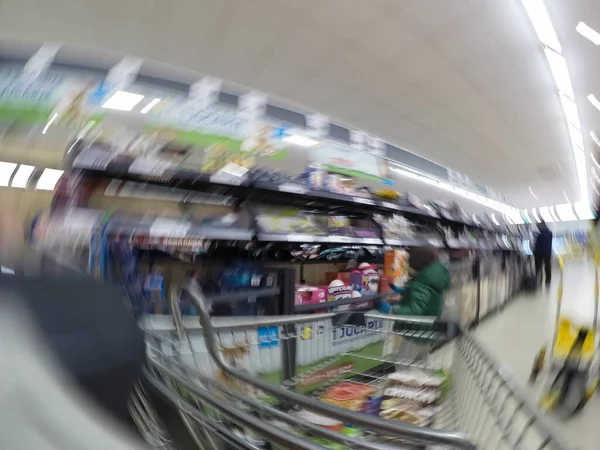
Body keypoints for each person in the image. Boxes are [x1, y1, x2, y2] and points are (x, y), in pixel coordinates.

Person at [378, 244, 450, 317]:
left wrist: (391, 310)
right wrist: (407, 290)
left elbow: (415, 310)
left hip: (414, 327)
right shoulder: (433, 276)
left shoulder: (421, 283)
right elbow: (428, 295)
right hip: (428, 324)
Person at [533, 221, 553, 286]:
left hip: (541, 253)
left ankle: (541, 280)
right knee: (546, 267)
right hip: (546, 253)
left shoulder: (543, 234)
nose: (538, 228)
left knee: (540, 267)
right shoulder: (548, 233)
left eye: (538, 226)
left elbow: (539, 244)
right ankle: (546, 281)